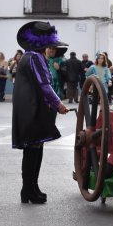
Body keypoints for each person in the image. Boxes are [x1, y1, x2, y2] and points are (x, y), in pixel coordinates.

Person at [12, 21, 69, 204]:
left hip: (31, 109)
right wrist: (58, 104)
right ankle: (28, 190)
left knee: (35, 149)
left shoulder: (29, 56)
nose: (52, 49)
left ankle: (31, 188)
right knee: (33, 150)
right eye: (51, 46)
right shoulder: (34, 57)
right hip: (33, 110)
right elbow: (44, 85)